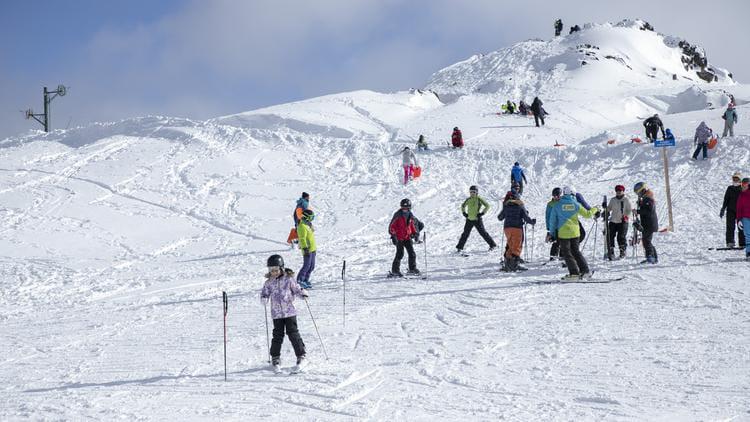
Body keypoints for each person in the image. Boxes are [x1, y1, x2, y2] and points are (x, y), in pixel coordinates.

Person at [261, 254, 308, 373]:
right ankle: (275, 358)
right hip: (276, 314)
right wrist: (264, 298)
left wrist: (302, 293)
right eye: (271, 270)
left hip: (290, 312)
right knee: (277, 335)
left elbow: (296, 289)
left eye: (276, 270)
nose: (274, 272)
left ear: (281, 268)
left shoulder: (288, 279)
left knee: (293, 334)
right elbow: (265, 293)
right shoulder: (268, 283)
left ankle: (301, 355)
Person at [549, 186, 599, 279]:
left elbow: (553, 221)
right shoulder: (575, 204)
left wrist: (551, 233)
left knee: (567, 253)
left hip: (563, 234)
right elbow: (588, 214)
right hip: (575, 233)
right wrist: (595, 208)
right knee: (576, 252)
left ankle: (574, 273)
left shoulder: (557, 205)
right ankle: (585, 271)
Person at [497, 191, 536, 271]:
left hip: (507, 228)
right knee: (517, 246)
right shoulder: (520, 204)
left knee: (510, 244)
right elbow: (526, 217)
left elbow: (500, 217)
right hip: (517, 228)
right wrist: (532, 222)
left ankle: (507, 264)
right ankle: (515, 265)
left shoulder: (506, 205)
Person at [456, 185, 497, 253]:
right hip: (469, 219)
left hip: (477, 219)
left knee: (483, 233)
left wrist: (482, 213)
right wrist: (464, 213)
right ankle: (459, 247)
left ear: (477, 192)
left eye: (474, 192)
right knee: (465, 234)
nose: (472, 193)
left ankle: (493, 245)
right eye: (471, 192)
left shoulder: (479, 199)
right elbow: (463, 206)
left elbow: (487, 205)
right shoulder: (468, 199)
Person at [388, 198, 421, 277]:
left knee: (412, 253)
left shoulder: (410, 215)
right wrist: (394, 235)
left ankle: (412, 269)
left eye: (406, 208)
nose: (405, 210)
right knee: (400, 254)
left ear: (409, 208)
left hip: (407, 237)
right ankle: (395, 270)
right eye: (403, 208)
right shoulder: (398, 215)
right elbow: (391, 227)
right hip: (399, 238)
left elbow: (412, 225)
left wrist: (415, 234)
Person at [633, 182, 659, 264]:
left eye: (638, 192)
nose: (638, 194)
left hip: (650, 224)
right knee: (647, 240)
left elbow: (648, 210)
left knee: (646, 241)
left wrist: (638, 211)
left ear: (642, 191)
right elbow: (646, 207)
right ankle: (653, 257)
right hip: (648, 223)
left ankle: (650, 257)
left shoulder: (648, 198)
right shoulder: (646, 198)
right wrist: (640, 204)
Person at [606, 185, 633, 259]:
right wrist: (605, 211)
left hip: (623, 221)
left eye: (620, 191)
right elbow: (609, 208)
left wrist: (626, 216)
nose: (619, 192)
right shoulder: (613, 200)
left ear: (623, 191)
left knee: (621, 237)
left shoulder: (626, 200)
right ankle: (611, 251)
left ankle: (622, 251)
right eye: (617, 191)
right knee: (610, 236)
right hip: (613, 221)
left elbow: (629, 210)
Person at [720, 172, 745, 248]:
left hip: (741, 211)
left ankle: (742, 243)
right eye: (734, 179)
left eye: (737, 179)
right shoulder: (730, 188)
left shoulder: (743, 189)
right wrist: (723, 209)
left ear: (740, 180)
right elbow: (726, 199)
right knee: (730, 226)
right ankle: (730, 242)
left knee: (741, 227)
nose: (735, 180)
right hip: (731, 210)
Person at [296, 209, 316, 289]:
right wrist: (305, 248)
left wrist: (310, 225)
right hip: (307, 249)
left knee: (311, 266)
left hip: (312, 249)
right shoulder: (302, 226)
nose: (312, 219)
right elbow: (302, 239)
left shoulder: (307, 224)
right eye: (311, 217)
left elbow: (312, 233)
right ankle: (300, 281)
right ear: (307, 217)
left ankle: (305, 280)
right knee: (306, 266)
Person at [545, 187, 562, 261]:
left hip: (562, 226)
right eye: (554, 196)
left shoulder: (562, 203)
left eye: (557, 196)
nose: (556, 198)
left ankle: (562, 256)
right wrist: (548, 229)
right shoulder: (550, 204)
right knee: (555, 242)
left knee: (563, 242)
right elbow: (547, 216)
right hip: (554, 227)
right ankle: (553, 256)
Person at [735, 178, 750, 260]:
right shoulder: (742, 195)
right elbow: (739, 208)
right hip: (745, 218)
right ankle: (749, 253)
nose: (743, 186)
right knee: (748, 235)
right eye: (742, 185)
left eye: (745, 184)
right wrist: (739, 220)